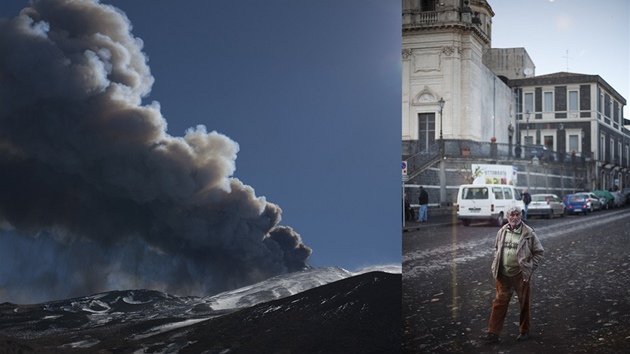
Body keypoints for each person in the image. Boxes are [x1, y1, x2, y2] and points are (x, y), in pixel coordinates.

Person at [479, 205, 544, 344]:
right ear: (507, 217)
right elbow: (497, 248)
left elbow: (539, 251)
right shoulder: (502, 231)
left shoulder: (528, 233)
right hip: (503, 274)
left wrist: (530, 266)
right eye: (512, 215)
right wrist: (496, 261)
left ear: (521, 216)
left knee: (524, 302)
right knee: (499, 303)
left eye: (517, 215)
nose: (515, 217)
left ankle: (524, 331)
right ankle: (493, 333)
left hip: (520, 274)